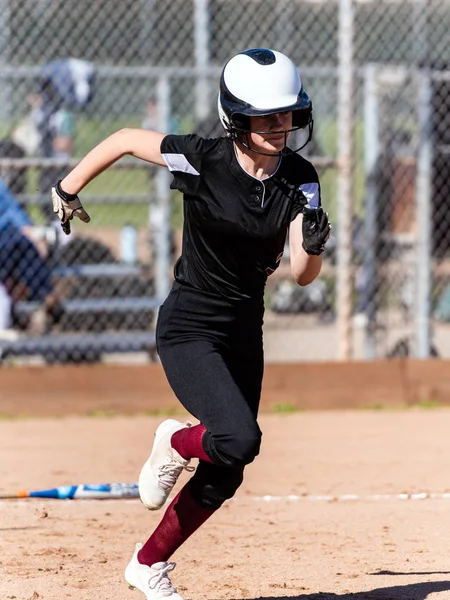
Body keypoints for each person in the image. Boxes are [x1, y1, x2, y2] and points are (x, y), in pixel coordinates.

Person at [51, 48, 331, 600]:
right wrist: (66, 187)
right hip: (190, 326)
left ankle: (146, 565)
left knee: (230, 465)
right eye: (265, 115)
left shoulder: (301, 179)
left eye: (288, 114)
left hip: (243, 331)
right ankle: (177, 440)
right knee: (237, 436)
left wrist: (316, 246)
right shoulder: (202, 159)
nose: (280, 125)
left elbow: (301, 274)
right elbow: (127, 139)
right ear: (235, 118)